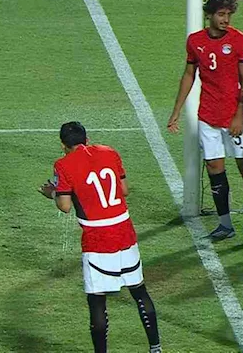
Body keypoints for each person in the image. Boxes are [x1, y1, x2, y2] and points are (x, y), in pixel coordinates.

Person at [38, 122, 162, 353]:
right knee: (139, 291)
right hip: (125, 231)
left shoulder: (63, 164)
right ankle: (155, 348)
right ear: (87, 139)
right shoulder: (109, 152)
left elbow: (65, 206)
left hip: (97, 239)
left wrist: (52, 193)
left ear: (63, 145)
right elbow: (124, 190)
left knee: (97, 301)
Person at [167, 0, 243, 241]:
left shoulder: (240, 41)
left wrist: (239, 115)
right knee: (214, 167)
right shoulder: (195, 41)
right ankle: (225, 224)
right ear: (209, 15)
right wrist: (176, 111)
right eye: (221, 14)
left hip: (236, 118)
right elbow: (189, 75)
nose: (226, 20)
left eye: (229, 15)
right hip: (208, 115)